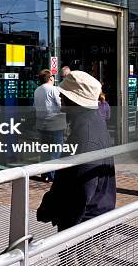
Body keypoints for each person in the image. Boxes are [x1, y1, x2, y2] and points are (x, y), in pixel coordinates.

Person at [37, 70, 116, 232]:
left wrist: (67, 229)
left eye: (63, 97)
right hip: (92, 218)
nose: (60, 100)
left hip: (85, 227)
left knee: (83, 259)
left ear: (73, 101)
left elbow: (82, 191)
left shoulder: (85, 135)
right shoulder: (93, 124)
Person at [33, 69, 67, 181]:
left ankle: (44, 173)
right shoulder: (53, 89)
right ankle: (51, 175)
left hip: (41, 124)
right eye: (52, 76)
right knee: (56, 149)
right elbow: (60, 104)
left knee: (45, 149)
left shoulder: (37, 90)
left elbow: (35, 106)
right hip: (54, 123)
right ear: (50, 78)